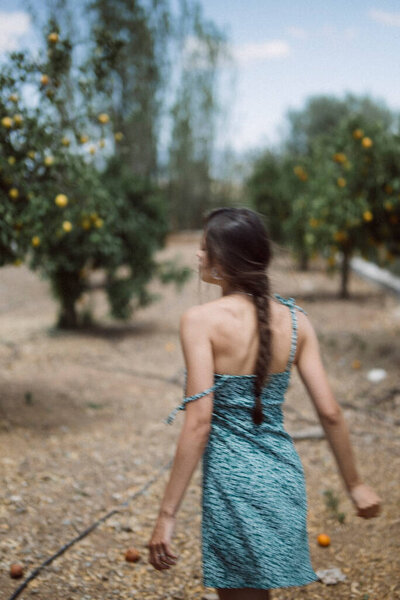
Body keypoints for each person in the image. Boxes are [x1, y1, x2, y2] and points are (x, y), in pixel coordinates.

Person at [147, 207, 382, 600]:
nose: (198, 257)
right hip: (282, 477)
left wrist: (166, 516)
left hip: (233, 483)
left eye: (205, 249)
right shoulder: (296, 321)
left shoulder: (200, 321)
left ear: (224, 261)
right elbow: (330, 412)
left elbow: (199, 422)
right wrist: (355, 484)